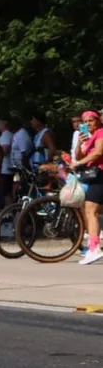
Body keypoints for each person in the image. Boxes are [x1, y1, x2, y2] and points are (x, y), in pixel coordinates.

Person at [72, 110, 103, 265]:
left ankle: (94, 248)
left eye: (91, 120)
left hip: (100, 175)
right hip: (95, 177)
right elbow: (80, 155)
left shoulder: (101, 133)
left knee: (91, 211)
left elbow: (98, 153)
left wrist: (79, 163)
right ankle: (93, 248)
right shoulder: (90, 138)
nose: (88, 124)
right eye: (86, 121)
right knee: (92, 210)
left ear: (98, 121)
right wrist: (79, 143)